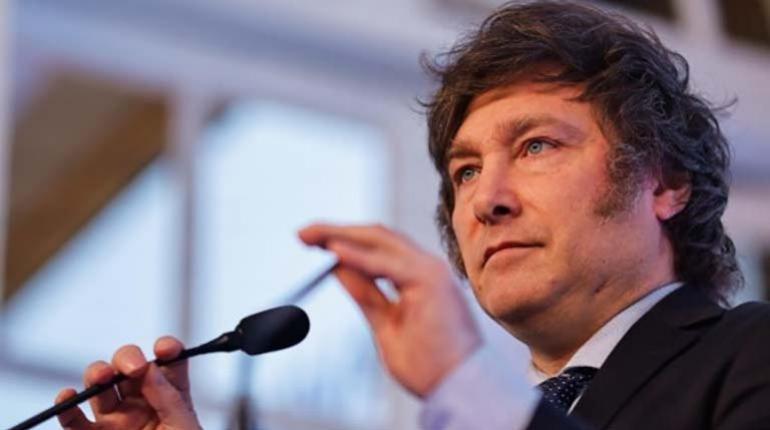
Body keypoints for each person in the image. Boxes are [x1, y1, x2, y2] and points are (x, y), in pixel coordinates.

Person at [55, 1, 770, 429]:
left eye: (537, 145)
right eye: (465, 171)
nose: (486, 200)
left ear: (665, 182)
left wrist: (466, 384)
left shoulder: (752, 354)